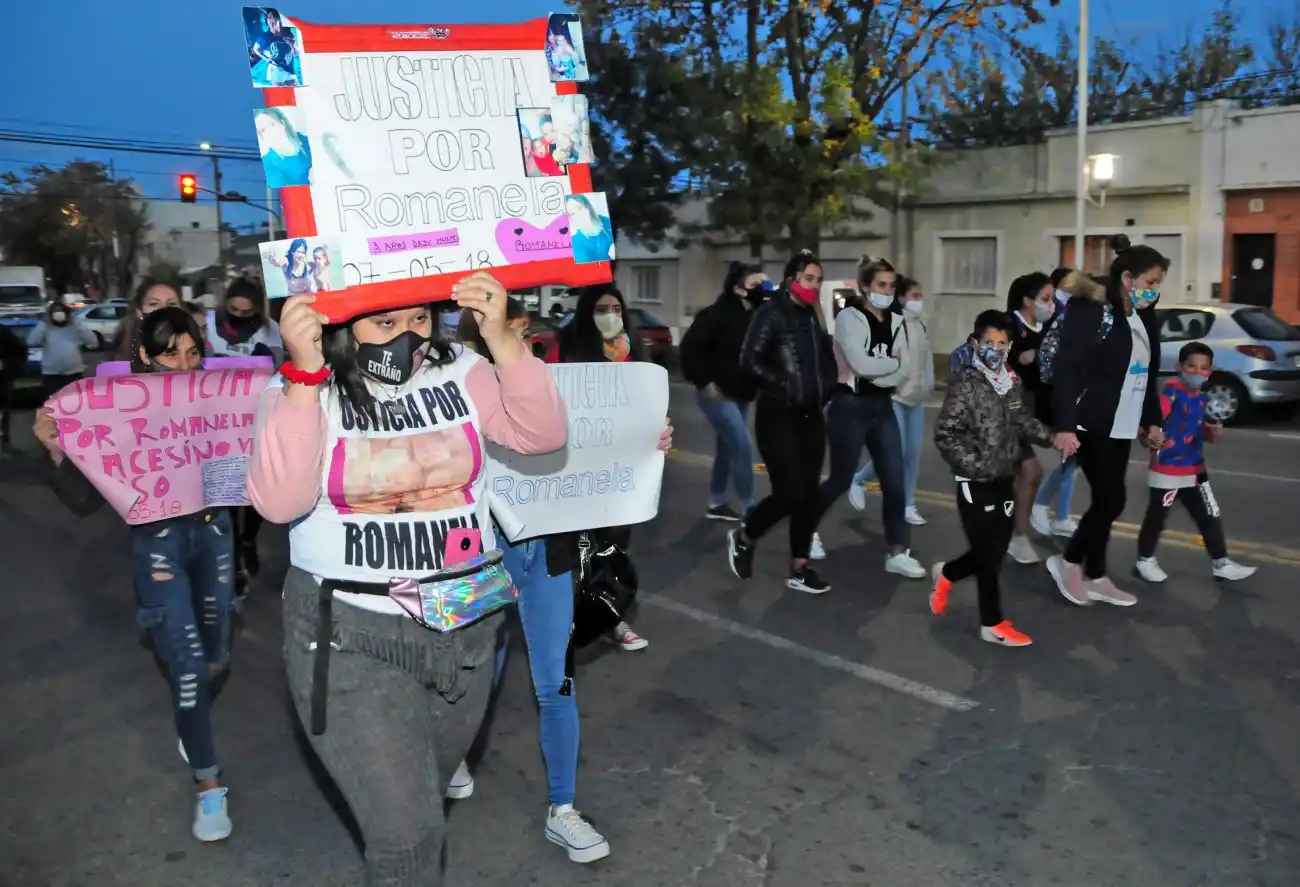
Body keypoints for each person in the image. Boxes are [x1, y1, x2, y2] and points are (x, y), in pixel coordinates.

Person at [246, 273, 566, 886]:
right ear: (341, 325)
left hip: (468, 621)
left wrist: (501, 339)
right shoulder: (300, 390)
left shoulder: (464, 370)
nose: (406, 337)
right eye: (384, 324)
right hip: (352, 637)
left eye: (418, 320)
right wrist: (306, 376)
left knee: (424, 806)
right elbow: (279, 502)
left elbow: (543, 433)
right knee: (408, 841)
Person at [456, 296, 670, 864]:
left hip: (547, 554)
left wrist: (646, 440)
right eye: (508, 332)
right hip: (479, 556)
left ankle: (563, 809)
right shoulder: (452, 393)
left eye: (525, 333)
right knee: (477, 667)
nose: (520, 344)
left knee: (557, 682)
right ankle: (454, 750)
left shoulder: (548, 388)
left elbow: (596, 446)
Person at [34, 307, 237, 841]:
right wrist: (56, 446)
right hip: (159, 547)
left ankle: (190, 713)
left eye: (193, 353)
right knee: (190, 666)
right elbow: (82, 500)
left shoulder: (220, 395)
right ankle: (209, 787)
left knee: (215, 657)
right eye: (170, 353)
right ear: (146, 355)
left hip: (216, 536)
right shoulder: (118, 410)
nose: (183, 364)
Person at [1045, 234, 1169, 607]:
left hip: (1122, 422)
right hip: (1089, 420)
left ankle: (1096, 574)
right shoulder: (1093, 309)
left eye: (1159, 284)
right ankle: (1068, 562)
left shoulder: (1143, 316)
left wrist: (1152, 421)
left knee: (1107, 499)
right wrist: (1065, 425)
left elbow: (1146, 372)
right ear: (1128, 279)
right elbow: (1067, 367)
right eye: (1150, 283)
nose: (1155, 290)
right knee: (1113, 500)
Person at [931, 310, 1057, 646]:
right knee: (988, 553)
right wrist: (974, 466)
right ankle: (992, 623)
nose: (996, 349)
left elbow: (1020, 420)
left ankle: (947, 574)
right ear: (975, 343)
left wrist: (1052, 436)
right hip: (975, 481)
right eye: (989, 342)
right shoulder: (967, 384)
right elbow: (946, 433)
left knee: (996, 549)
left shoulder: (1010, 381)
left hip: (1005, 476)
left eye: (1002, 343)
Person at [551, 284, 662, 651]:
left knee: (613, 546)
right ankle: (565, 619)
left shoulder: (634, 352)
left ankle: (609, 618)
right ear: (586, 313)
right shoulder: (566, 350)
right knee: (580, 547)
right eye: (601, 309)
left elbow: (648, 406)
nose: (611, 315)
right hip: (577, 468)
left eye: (616, 307)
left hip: (622, 469)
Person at [727, 250, 838, 593]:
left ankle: (799, 568)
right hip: (778, 415)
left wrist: (826, 389)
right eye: (809, 279)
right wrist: (785, 385)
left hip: (811, 416)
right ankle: (745, 536)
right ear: (792, 280)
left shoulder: (813, 318)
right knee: (789, 492)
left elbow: (828, 363)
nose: (814, 286)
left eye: (818, 280)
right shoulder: (770, 313)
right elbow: (750, 360)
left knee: (808, 495)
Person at [812, 255, 925, 578]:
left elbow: (903, 369)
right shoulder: (850, 317)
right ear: (864, 286)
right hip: (849, 406)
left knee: (894, 480)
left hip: (882, 406)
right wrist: (888, 365)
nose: (887, 292)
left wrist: (885, 369)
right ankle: (805, 530)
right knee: (839, 479)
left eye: (891, 286)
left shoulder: (896, 320)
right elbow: (862, 365)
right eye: (881, 285)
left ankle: (897, 552)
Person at [1134, 342, 1257, 583]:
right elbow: (1149, 422)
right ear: (1179, 366)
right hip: (1167, 470)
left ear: (1210, 372)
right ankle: (1145, 560)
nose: (1197, 372)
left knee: (1210, 514)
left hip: (1195, 470)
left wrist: (1212, 432)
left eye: (1204, 368)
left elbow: (1199, 430)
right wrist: (1149, 436)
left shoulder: (1201, 398)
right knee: (1157, 517)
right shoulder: (1171, 392)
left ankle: (1221, 562)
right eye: (1192, 366)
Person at [207, 278, 283, 582]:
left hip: (256, 418)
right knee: (226, 493)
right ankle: (232, 553)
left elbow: (279, 368)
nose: (239, 315)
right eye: (234, 309)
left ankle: (247, 539)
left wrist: (266, 360)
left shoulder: (270, 329)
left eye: (245, 311)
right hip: (218, 421)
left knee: (254, 492)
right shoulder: (210, 323)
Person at [678, 261, 766, 521]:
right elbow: (689, 349)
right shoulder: (716, 314)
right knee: (741, 444)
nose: (762, 288)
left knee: (728, 448)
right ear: (739, 289)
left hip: (743, 393)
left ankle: (716, 502)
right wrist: (703, 381)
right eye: (756, 283)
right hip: (717, 394)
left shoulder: (758, 315)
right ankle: (750, 507)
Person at [848, 274, 933, 527]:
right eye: (914, 296)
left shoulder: (922, 324)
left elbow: (926, 356)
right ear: (902, 298)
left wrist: (928, 380)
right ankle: (860, 479)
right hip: (895, 397)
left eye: (920, 296)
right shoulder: (893, 324)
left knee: (912, 455)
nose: (919, 301)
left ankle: (908, 504)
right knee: (896, 450)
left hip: (916, 398)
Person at [1004, 272, 1056, 565]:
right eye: (1045, 299)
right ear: (1027, 300)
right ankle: (1017, 536)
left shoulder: (1045, 327)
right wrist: (1015, 356)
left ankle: (1015, 535)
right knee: (1029, 472)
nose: (1050, 305)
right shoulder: (1008, 324)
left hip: (1028, 409)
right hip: (1004, 409)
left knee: (1026, 474)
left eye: (1051, 299)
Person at [28, 298, 96, 399]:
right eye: (56, 311)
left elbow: (93, 341)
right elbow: (32, 341)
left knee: (75, 403)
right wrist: (43, 324)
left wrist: (77, 323)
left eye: (61, 311)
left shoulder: (75, 327)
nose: (59, 313)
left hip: (73, 373)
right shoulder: (46, 328)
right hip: (52, 375)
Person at [113, 278, 183, 360]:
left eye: (172, 304)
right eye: (154, 304)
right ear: (139, 312)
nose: (163, 309)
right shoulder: (125, 355)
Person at [255, 107, 313, 189]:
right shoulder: (268, 165)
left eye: (272, 124)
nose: (269, 133)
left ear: (282, 122)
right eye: (262, 130)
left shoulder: (307, 140)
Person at [0, 323, 27, 452]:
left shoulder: (4, 332)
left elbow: (19, 351)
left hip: (2, 379)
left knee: (4, 411)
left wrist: (6, 364)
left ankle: (5, 441)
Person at [565, 195, 614, 264]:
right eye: (572, 214)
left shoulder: (606, 221)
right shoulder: (575, 242)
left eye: (579, 208)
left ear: (587, 207)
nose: (578, 215)